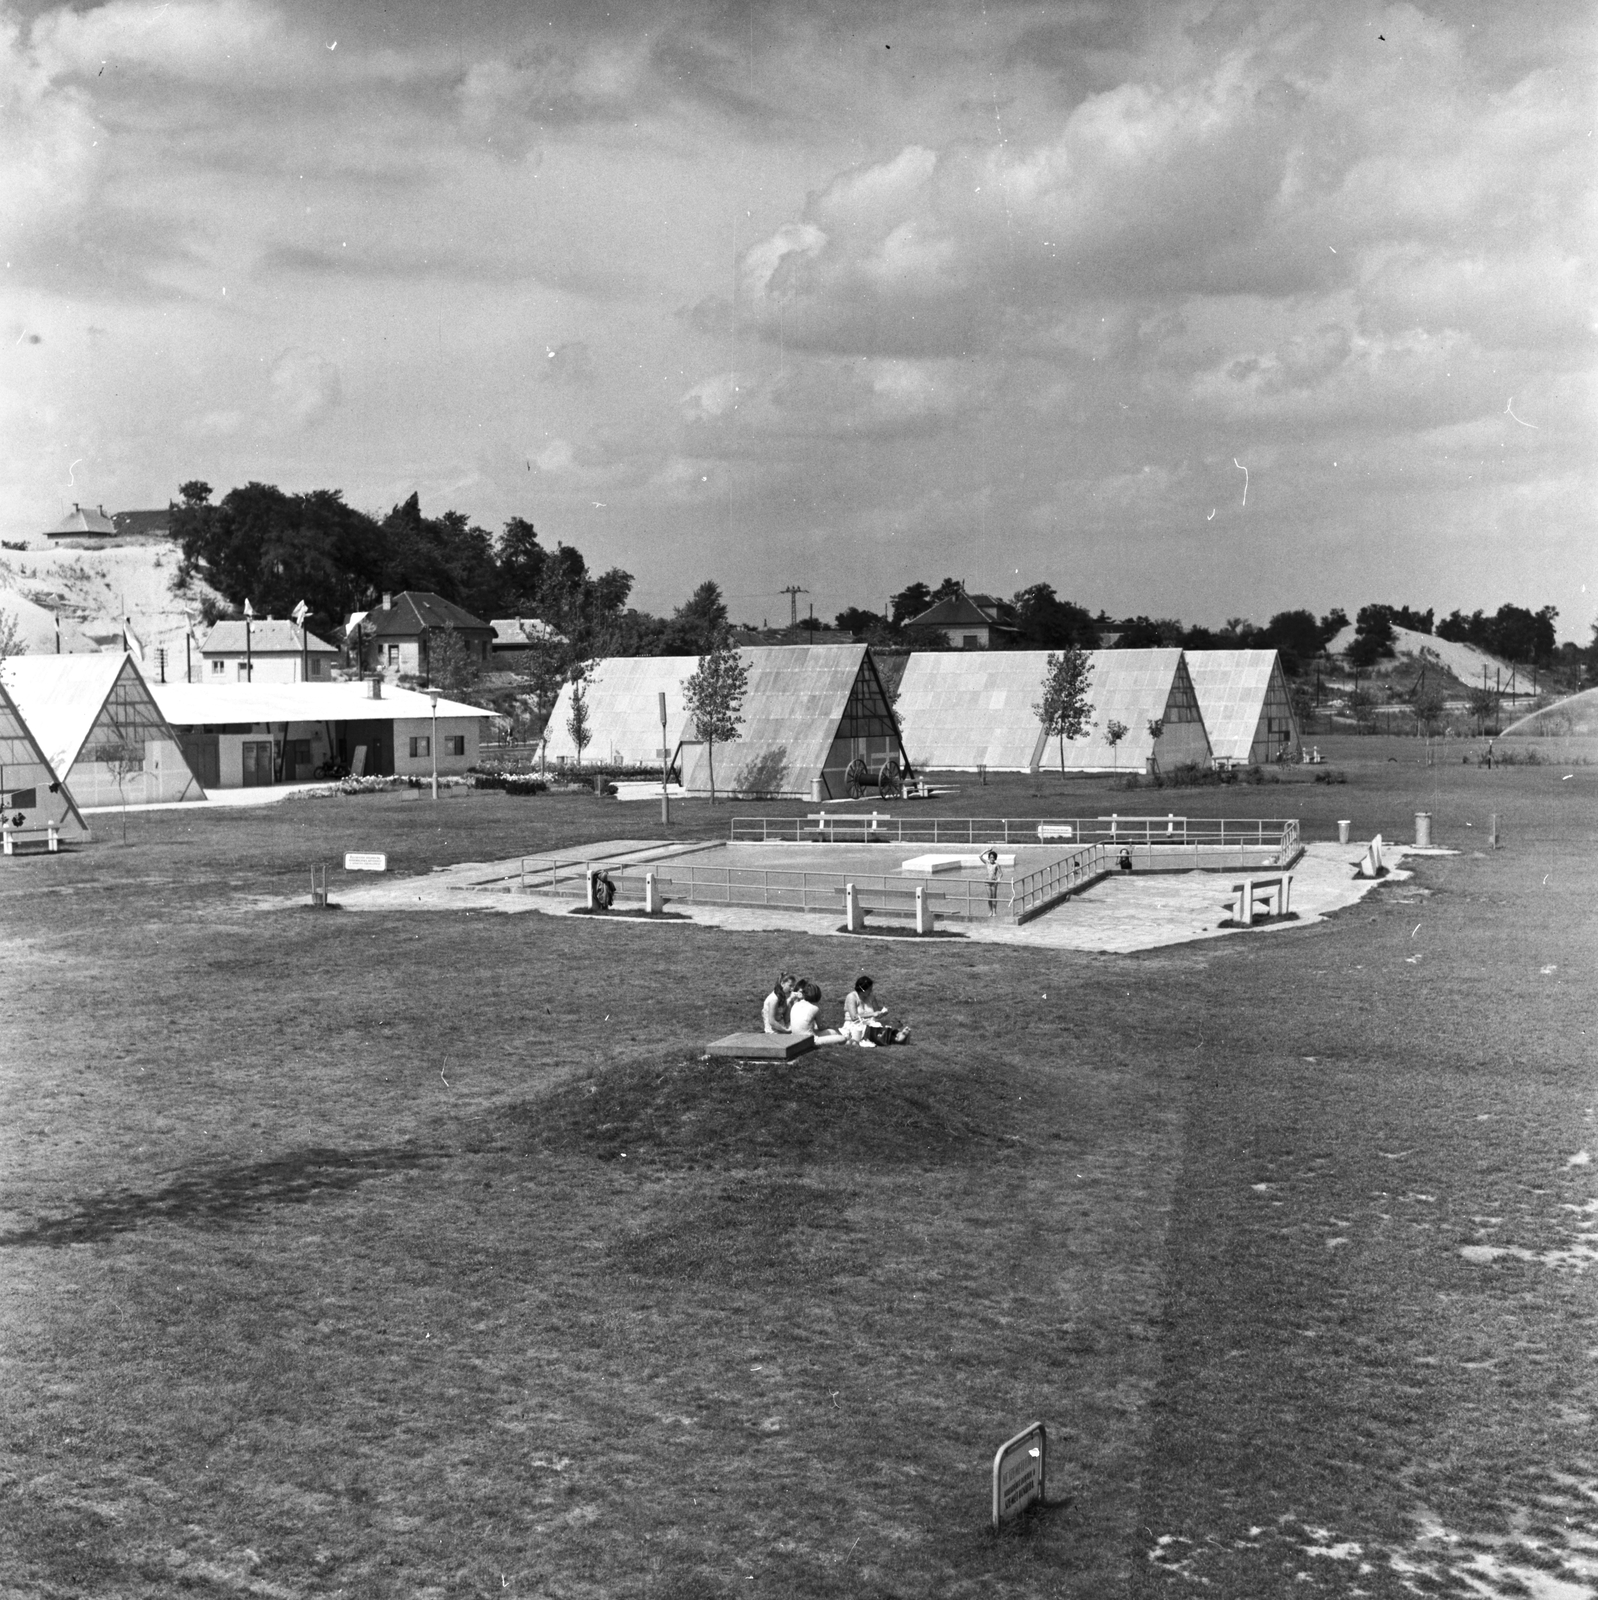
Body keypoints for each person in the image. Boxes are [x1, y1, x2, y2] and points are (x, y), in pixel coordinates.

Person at [842, 975, 909, 1046]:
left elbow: (877, 1014)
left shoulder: (871, 997)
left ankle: (898, 1035)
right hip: (855, 1025)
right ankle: (896, 1039)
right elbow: (854, 1017)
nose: (871, 991)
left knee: (882, 1026)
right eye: (869, 989)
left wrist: (883, 1013)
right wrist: (872, 1014)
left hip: (870, 1023)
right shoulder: (852, 997)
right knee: (872, 1030)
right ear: (863, 990)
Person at [982, 846, 1002, 917]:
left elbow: (1001, 873)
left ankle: (994, 911)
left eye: (993, 857)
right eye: (990, 857)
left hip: (994, 882)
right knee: (989, 897)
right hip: (987, 882)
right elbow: (980, 856)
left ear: (995, 858)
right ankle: (990, 911)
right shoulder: (987, 863)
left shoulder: (997, 865)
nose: (992, 859)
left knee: (994, 897)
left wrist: (999, 878)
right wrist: (986, 850)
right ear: (989, 858)